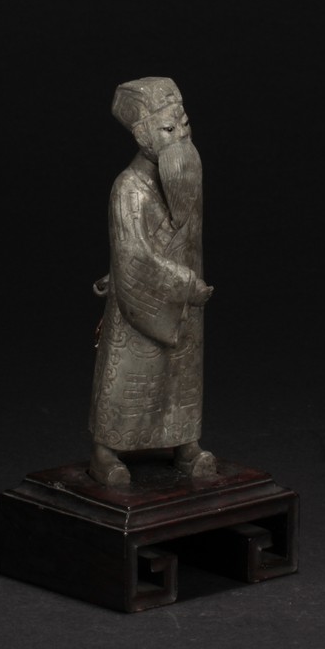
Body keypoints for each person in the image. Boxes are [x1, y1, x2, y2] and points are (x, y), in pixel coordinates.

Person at [89, 77, 215, 486]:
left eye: (185, 125)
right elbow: (134, 254)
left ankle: (185, 443)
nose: (181, 136)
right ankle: (106, 451)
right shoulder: (128, 188)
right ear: (142, 136)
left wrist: (186, 287)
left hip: (183, 302)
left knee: (182, 371)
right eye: (168, 129)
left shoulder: (184, 177)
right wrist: (186, 285)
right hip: (143, 299)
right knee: (130, 370)